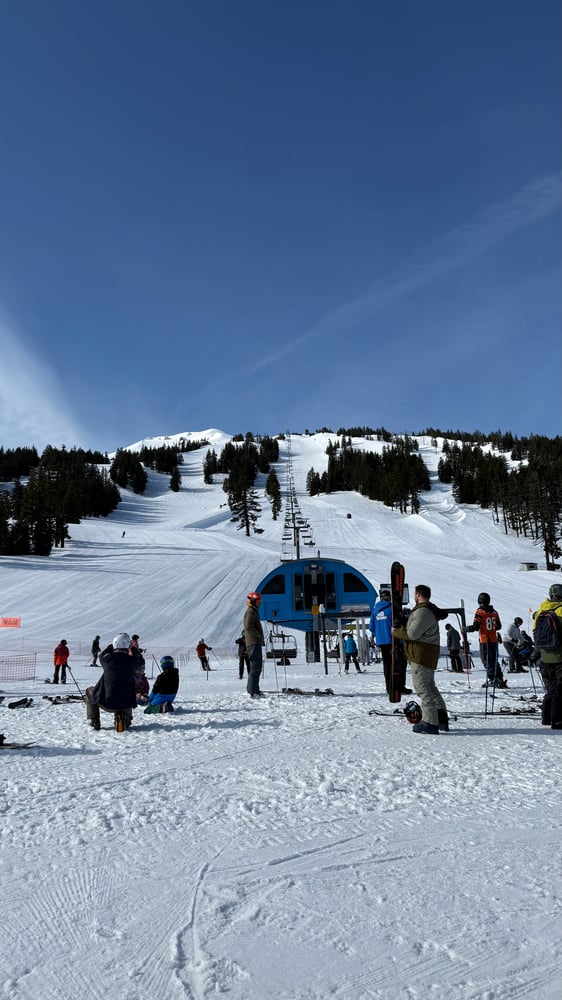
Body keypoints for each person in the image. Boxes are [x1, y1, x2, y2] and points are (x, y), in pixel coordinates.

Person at [392, 584, 449, 734]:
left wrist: (395, 631)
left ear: (417, 594)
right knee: (430, 687)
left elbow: (412, 634)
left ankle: (430, 722)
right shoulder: (428, 610)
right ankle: (441, 718)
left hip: (421, 654)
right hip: (427, 653)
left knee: (423, 689)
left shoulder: (422, 611)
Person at [85, 632, 141, 732]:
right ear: (127, 645)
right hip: (126, 703)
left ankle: (95, 720)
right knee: (127, 721)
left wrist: (109, 648)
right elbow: (140, 659)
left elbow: (101, 655)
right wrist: (133, 649)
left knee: (89, 691)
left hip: (107, 703)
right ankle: (123, 718)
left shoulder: (106, 660)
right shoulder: (132, 661)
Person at [369, 588, 412, 696]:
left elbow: (371, 627)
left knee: (387, 665)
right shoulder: (393, 609)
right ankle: (400, 686)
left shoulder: (375, 610)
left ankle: (389, 687)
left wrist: (380, 634)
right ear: (389, 598)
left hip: (382, 642)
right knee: (400, 664)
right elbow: (401, 623)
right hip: (395, 640)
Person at [533, 583, 562, 729]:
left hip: (545, 656)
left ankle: (547, 717)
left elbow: (535, 633)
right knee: (560, 688)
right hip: (560, 655)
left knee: (551, 688)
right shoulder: (561, 610)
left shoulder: (541, 610)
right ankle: (558, 720)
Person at [464, 592, 507, 688]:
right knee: (494, 660)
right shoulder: (494, 612)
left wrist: (466, 629)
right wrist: (492, 628)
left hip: (484, 639)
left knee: (486, 660)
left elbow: (476, 626)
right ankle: (499, 678)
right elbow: (499, 626)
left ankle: (492, 679)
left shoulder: (480, 611)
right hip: (493, 639)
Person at [244, 592, 265, 698]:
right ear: (253, 601)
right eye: (258, 601)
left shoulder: (253, 611)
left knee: (256, 666)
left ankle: (253, 689)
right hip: (253, 642)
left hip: (254, 642)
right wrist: (258, 636)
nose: (259, 603)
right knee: (256, 666)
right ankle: (253, 691)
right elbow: (249, 627)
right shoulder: (251, 612)